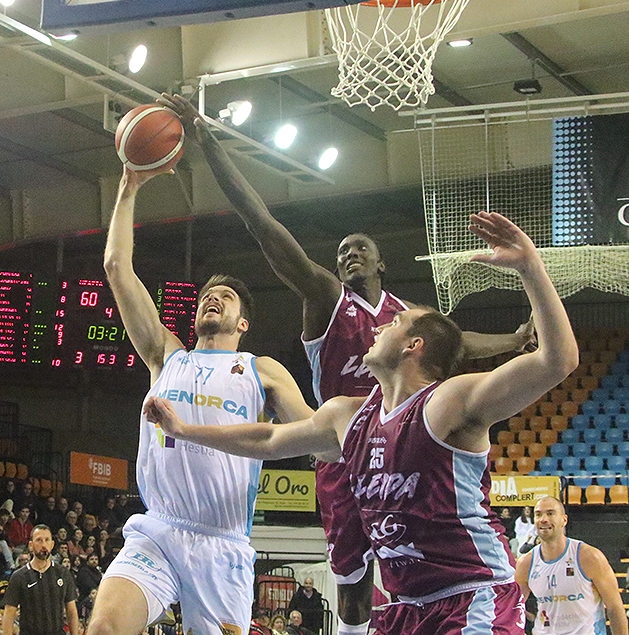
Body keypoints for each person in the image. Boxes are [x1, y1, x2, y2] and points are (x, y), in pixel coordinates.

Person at [159, 92, 533, 635]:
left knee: (430, 553)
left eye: (359, 248)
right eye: (339, 252)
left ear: (382, 261)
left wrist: (512, 337)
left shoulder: (407, 319)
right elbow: (265, 228)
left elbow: (460, 344)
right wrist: (210, 142)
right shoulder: (326, 299)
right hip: (345, 446)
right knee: (354, 587)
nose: (347, 256)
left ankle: (474, 599)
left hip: (408, 439)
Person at [145, 212, 575, 635]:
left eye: (394, 323)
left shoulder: (449, 401)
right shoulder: (347, 414)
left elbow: (557, 360)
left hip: (473, 594)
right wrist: (184, 430)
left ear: (413, 346)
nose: (381, 325)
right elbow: (270, 436)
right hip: (405, 608)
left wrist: (529, 268)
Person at [90, 165, 326, 635]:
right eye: (206, 297)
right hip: (157, 530)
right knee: (104, 628)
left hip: (221, 542)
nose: (211, 300)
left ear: (243, 324)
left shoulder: (261, 370)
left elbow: (316, 439)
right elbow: (117, 267)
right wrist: (128, 184)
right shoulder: (165, 355)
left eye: (225, 298)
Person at [515, 497, 627, 635]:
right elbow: (513, 609)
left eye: (550, 513)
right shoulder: (526, 563)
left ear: (564, 520)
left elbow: (615, 607)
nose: (543, 519)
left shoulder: (589, 557)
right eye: (538, 514)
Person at [2, 524, 79, 635]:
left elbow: (71, 610)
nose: (43, 545)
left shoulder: (63, 573)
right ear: (31, 545)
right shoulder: (19, 576)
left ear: (52, 545)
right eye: (39, 540)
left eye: (47, 540)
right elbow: (9, 613)